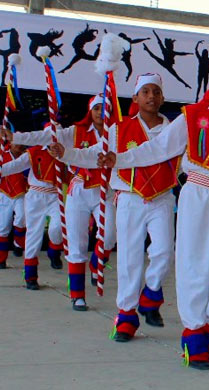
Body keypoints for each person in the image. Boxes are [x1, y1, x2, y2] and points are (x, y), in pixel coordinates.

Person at [99, 60, 209, 369]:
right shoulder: (193, 115)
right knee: (195, 262)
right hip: (198, 193)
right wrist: (119, 158)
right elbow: (158, 149)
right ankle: (193, 332)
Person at [51, 74, 177, 342]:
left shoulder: (172, 129)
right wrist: (66, 153)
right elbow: (93, 155)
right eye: (145, 91)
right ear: (135, 98)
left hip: (162, 198)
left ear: (163, 97)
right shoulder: (118, 129)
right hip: (129, 198)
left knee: (164, 252)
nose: (151, 96)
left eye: (156, 91)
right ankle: (126, 316)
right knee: (130, 258)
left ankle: (151, 293)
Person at [4, 95, 117, 311]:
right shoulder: (74, 132)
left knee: (110, 235)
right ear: (90, 111)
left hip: (105, 190)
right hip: (79, 191)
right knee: (76, 243)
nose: (100, 113)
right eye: (97, 108)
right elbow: (44, 137)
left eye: (105, 109)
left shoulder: (117, 132)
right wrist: (16, 136)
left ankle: (96, 264)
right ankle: (77, 294)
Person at [0, 137, 63, 288]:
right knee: (33, 235)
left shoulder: (65, 152)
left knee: (59, 227)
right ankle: (30, 276)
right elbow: (16, 165)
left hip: (55, 195)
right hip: (35, 196)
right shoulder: (34, 152)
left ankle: (54, 252)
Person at [0, 143, 27, 271]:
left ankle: (18, 243)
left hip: (22, 194)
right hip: (4, 194)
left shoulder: (27, 157)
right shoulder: (2, 155)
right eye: (16, 143)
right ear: (10, 144)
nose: (19, 146)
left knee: (22, 218)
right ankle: (1, 259)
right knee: (3, 228)